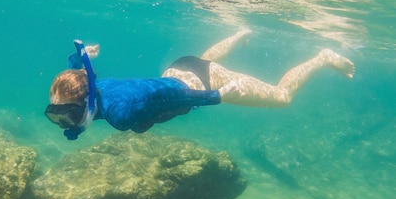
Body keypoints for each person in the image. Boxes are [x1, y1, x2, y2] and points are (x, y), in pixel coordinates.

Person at [44, 29, 355, 140]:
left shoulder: (120, 112)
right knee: (206, 60)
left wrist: (214, 97)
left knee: (283, 96)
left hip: (198, 81)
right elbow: (82, 72)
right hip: (179, 67)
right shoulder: (93, 86)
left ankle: (322, 57)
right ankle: (237, 35)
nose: (64, 123)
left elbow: (169, 97)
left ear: (85, 104)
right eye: (56, 115)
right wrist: (79, 57)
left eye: (67, 115)